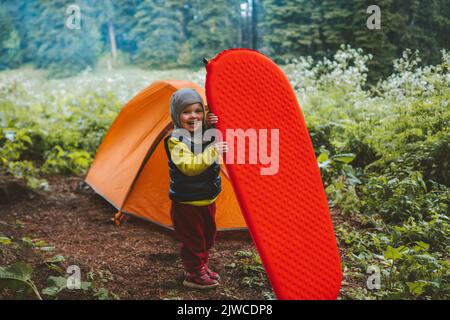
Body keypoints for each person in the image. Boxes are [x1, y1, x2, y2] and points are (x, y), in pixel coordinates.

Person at [164, 88, 228, 289]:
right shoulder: (175, 140)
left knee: (207, 237)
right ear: (176, 115)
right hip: (187, 202)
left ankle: (201, 266)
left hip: (207, 198)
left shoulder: (203, 132)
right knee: (193, 241)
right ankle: (193, 274)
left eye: (197, 111)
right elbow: (190, 168)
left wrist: (213, 122)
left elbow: (205, 137)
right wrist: (212, 152)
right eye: (186, 112)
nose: (193, 116)